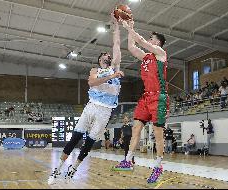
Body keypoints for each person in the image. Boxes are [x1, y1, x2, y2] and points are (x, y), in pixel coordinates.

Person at [48, 14, 123, 185]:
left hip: (106, 111)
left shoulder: (115, 66)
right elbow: (92, 82)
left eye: (108, 55)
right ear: (100, 59)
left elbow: (117, 44)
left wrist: (116, 26)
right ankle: (57, 169)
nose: (107, 55)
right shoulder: (95, 70)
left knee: (88, 143)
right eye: (104, 55)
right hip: (92, 106)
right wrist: (112, 75)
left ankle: (73, 168)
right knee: (75, 138)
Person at [114, 18, 168, 184]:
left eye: (152, 38)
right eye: (150, 38)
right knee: (136, 128)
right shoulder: (146, 57)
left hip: (158, 97)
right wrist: (130, 28)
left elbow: (141, 41)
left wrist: (128, 27)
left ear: (158, 42)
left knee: (158, 134)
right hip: (146, 97)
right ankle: (128, 160)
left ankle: (158, 166)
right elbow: (131, 47)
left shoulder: (160, 54)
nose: (149, 39)